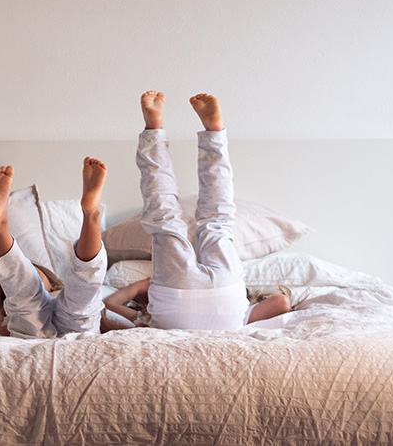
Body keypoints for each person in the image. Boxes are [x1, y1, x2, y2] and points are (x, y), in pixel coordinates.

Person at [103, 92, 292, 330]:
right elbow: (107, 309)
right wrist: (144, 288)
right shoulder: (150, 321)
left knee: (217, 220)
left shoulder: (244, 316)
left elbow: (281, 302)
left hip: (226, 290)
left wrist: (140, 289)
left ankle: (215, 134)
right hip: (177, 292)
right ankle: (154, 129)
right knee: (165, 221)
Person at [0, 157, 119, 338]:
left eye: (33, 272)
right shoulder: (14, 309)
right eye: (30, 273)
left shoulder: (60, 292)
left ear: (51, 280)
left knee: (79, 291)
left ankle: (0, 224)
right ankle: (90, 213)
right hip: (78, 331)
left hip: (36, 333)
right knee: (81, 290)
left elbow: (107, 322)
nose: (33, 278)